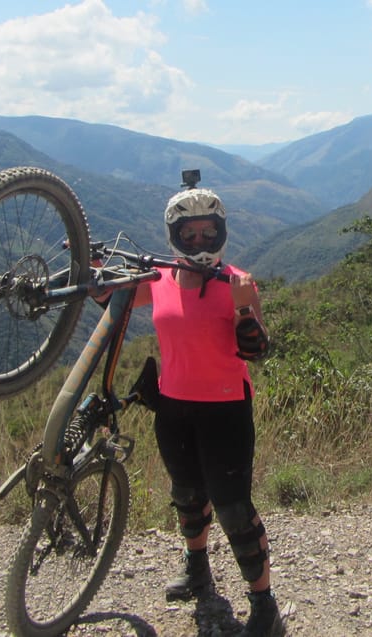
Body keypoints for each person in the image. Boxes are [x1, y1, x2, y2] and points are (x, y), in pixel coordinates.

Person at [125, 185, 281, 636]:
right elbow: (108, 297)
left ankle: (264, 606)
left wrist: (243, 309)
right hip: (172, 405)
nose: (199, 242)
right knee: (187, 493)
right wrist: (89, 263)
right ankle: (197, 570)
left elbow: (256, 350)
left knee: (234, 508)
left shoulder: (237, 281)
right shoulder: (158, 277)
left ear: (221, 232)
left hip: (226, 409)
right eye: (188, 234)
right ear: (174, 234)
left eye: (207, 231)